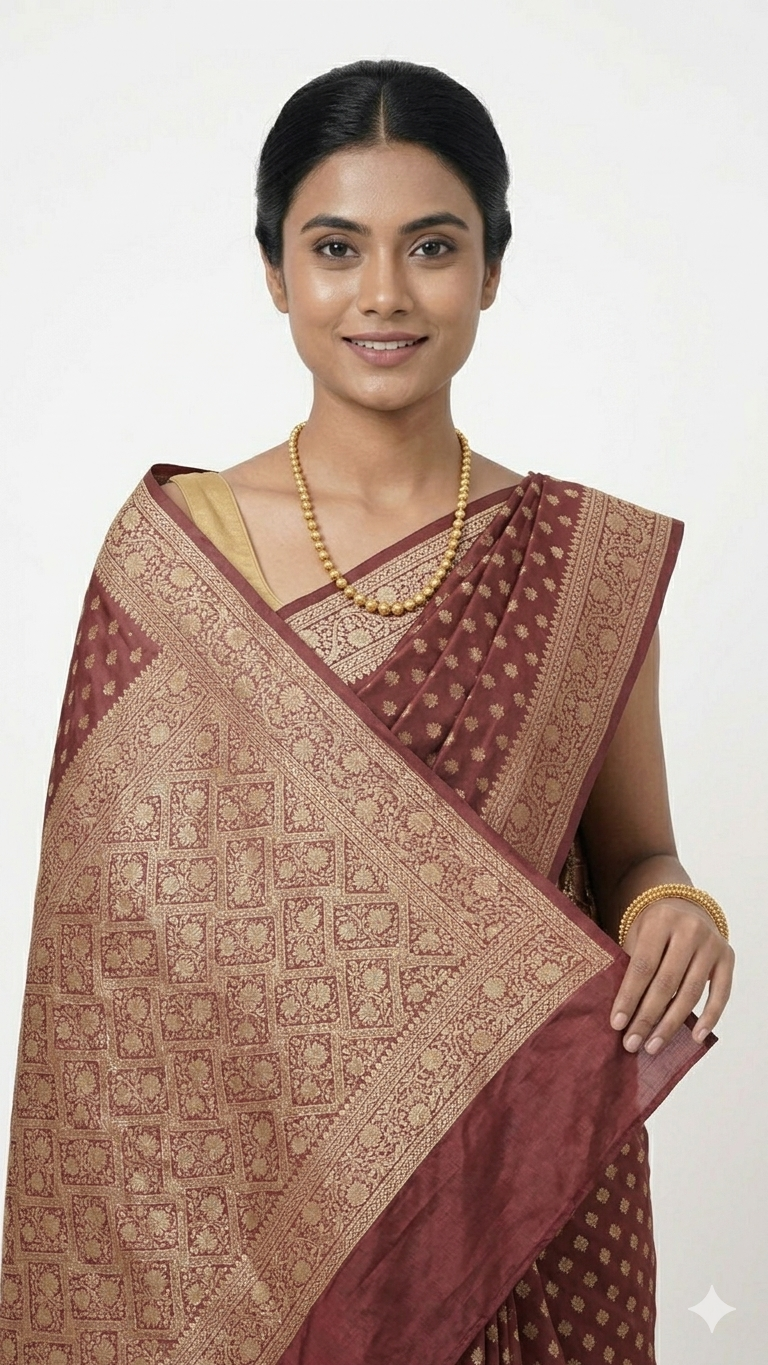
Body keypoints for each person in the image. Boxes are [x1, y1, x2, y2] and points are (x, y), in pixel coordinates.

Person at [0, 59, 733, 1365]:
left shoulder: (578, 564)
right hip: (246, 1201)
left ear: (493, 271)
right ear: (277, 271)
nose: (384, 294)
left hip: (512, 1197)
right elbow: (111, 968)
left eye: (433, 247)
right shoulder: (175, 562)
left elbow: (634, 856)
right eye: (336, 248)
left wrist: (677, 905)